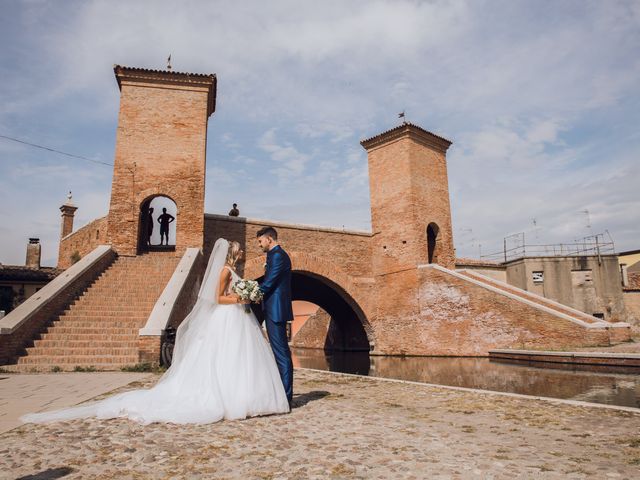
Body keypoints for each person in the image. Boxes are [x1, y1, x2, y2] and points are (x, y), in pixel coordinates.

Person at [20, 238, 289, 425]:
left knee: (239, 358)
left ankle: (246, 397)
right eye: (240, 251)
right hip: (229, 316)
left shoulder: (232, 270)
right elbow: (219, 298)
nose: (242, 253)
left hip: (238, 319)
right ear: (232, 252)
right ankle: (233, 399)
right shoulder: (224, 271)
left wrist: (245, 297)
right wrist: (242, 299)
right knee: (225, 356)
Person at [256, 226, 294, 407]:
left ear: (269, 239)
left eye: (261, 241)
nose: (260, 244)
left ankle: (285, 398)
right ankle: (281, 394)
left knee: (281, 353)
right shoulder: (273, 256)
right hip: (273, 308)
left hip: (276, 310)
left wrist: (250, 295)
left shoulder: (278, 256)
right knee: (279, 352)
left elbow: (269, 283)